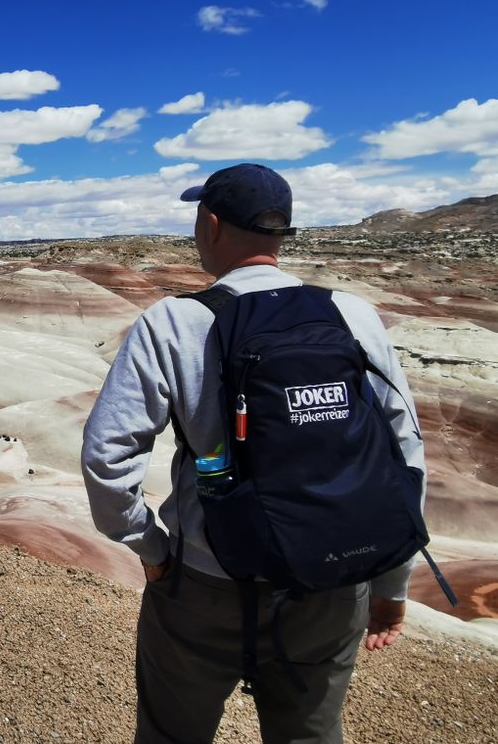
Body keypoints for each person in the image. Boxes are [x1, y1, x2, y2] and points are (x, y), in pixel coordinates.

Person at [81, 163, 424, 744]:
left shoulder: (175, 321)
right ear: (280, 230)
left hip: (205, 581)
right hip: (333, 580)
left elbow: (106, 457)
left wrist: (152, 549)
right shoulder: (352, 314)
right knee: (311, 734)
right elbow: (403, 456)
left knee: (171, 734)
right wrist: (391, 583)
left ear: (211, 224)